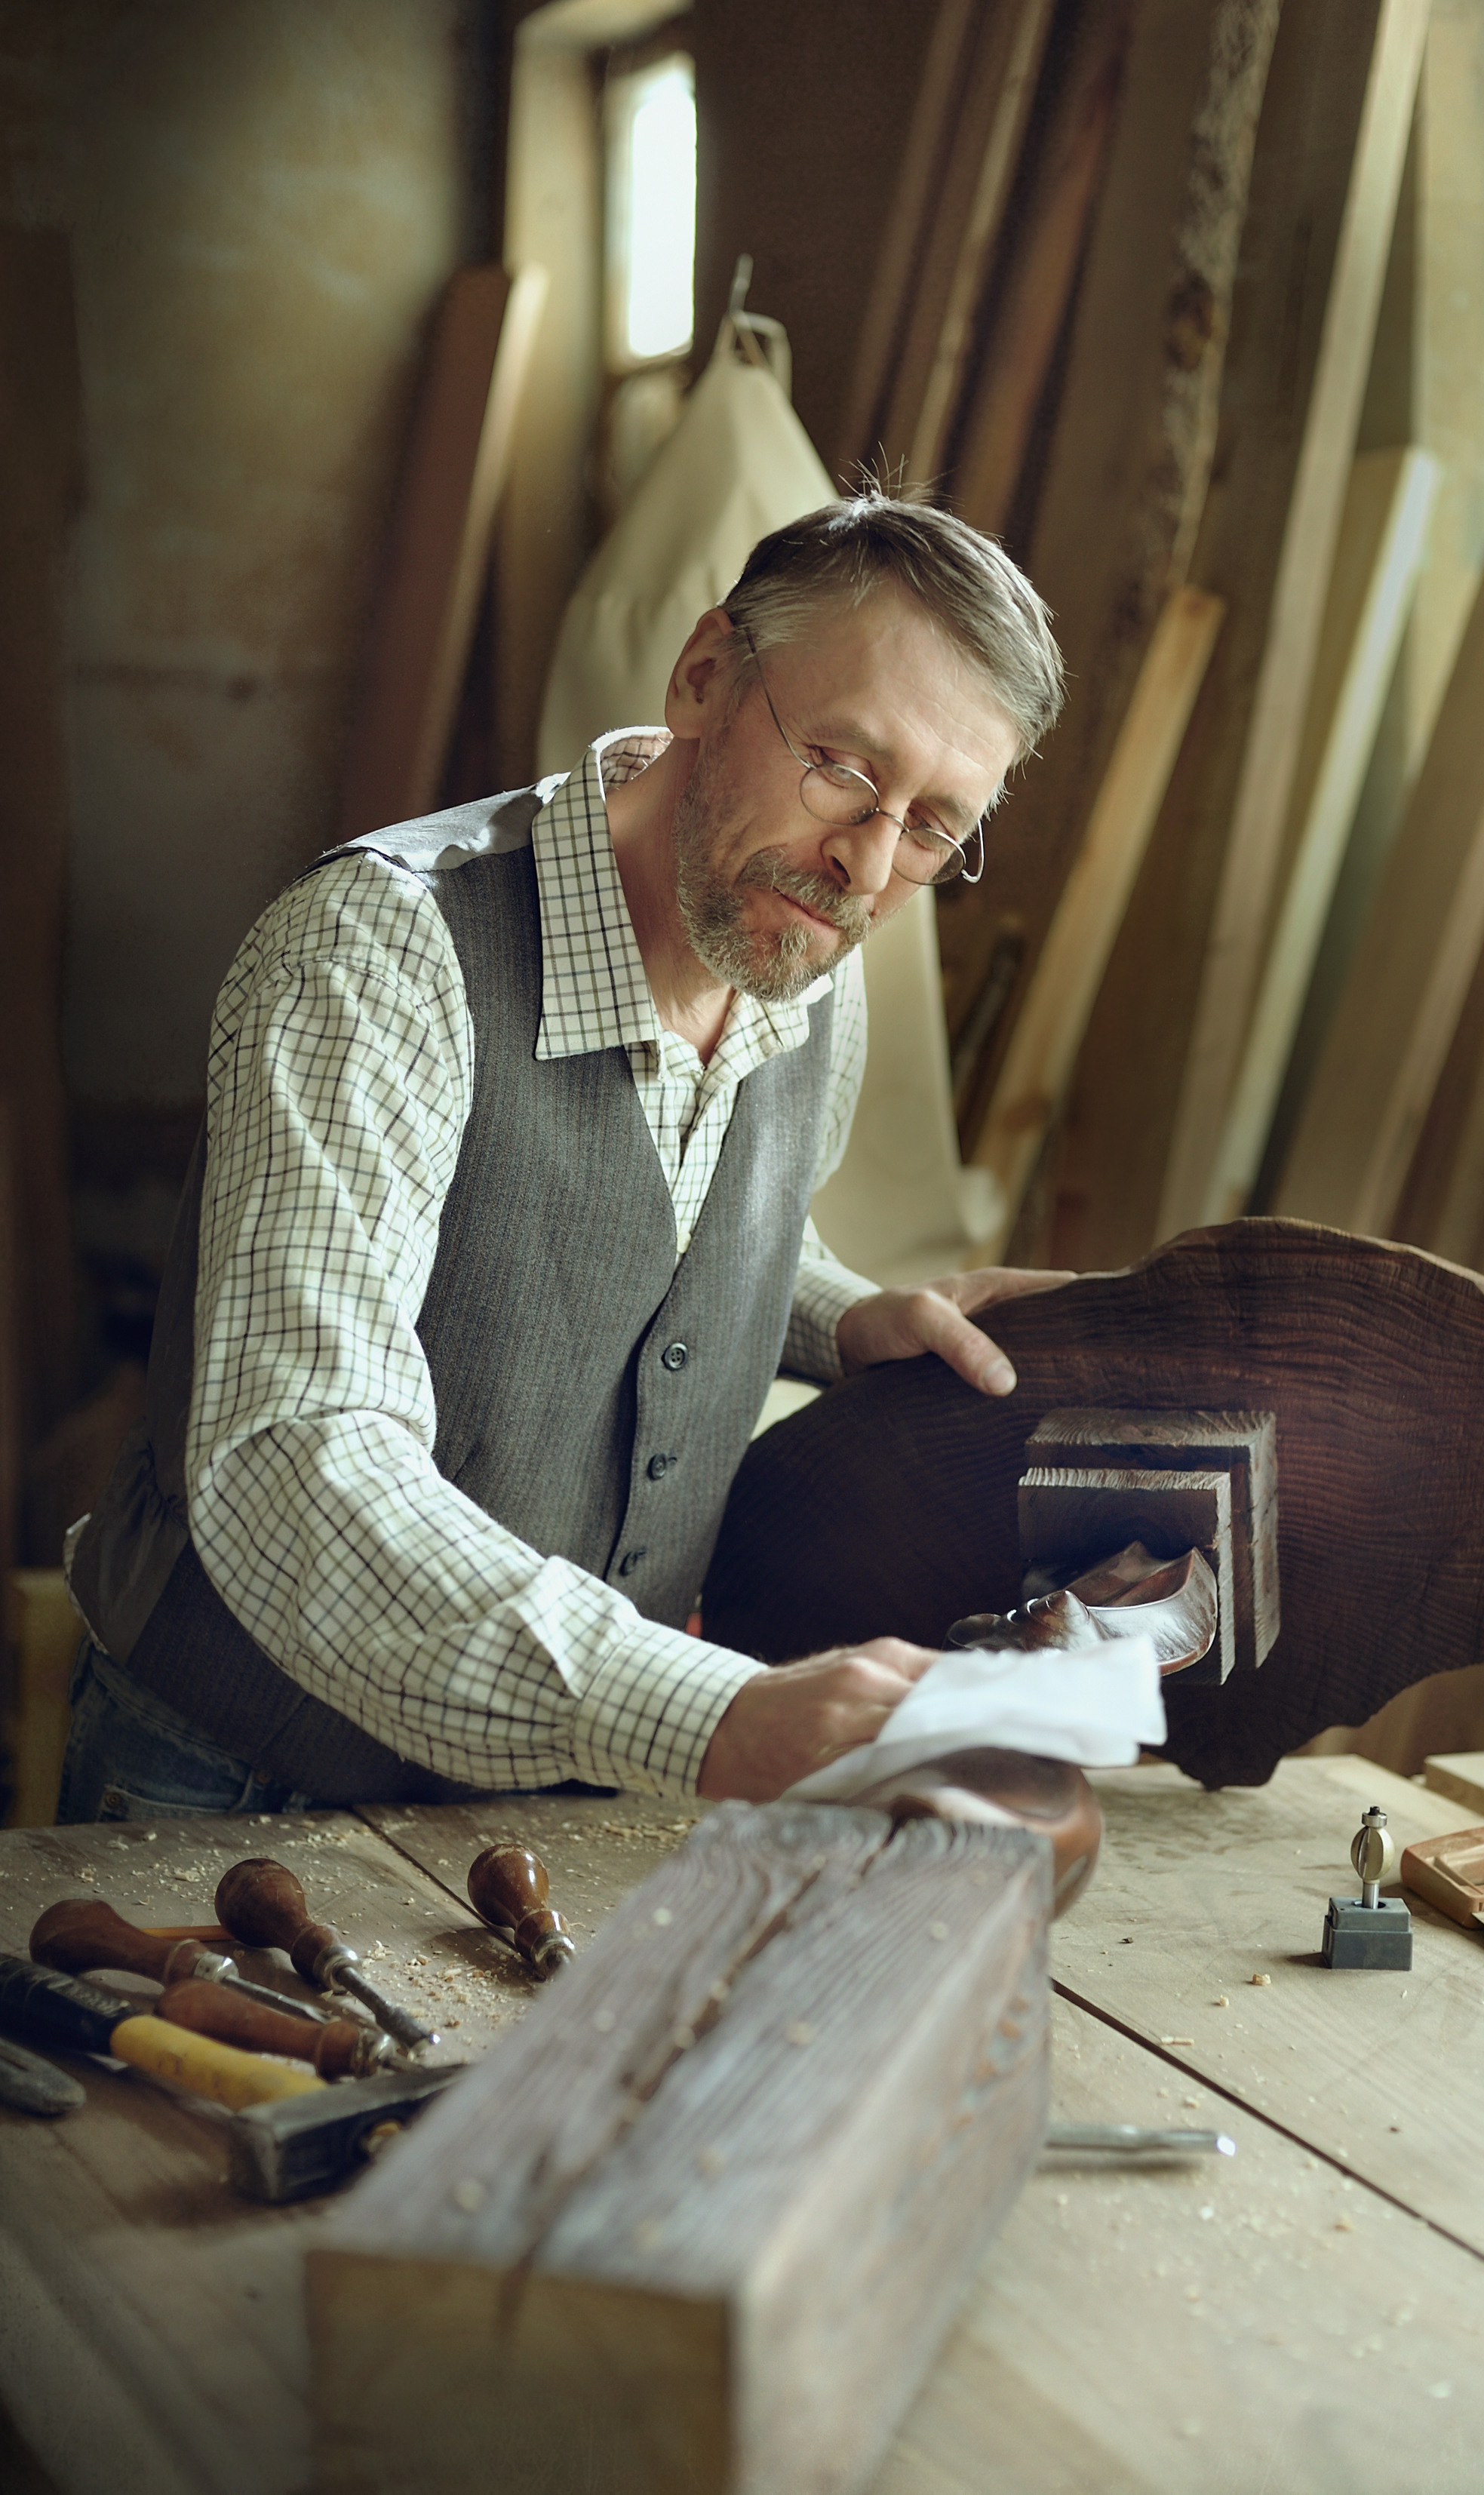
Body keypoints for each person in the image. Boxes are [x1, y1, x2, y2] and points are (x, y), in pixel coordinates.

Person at [60, 493, 1070, 1823]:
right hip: (233, 1784)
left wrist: (843, 1317)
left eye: (935, 825)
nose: (866, 865)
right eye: (842, 763)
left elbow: (680, 1219)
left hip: (569, 1801)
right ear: (705, 676)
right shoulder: (377, 955)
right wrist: (713, 1715)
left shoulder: (801, 943)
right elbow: (294, 1456)